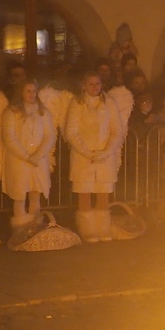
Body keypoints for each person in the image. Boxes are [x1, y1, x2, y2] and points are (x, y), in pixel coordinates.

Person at [64, 74, 132, 242]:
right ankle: (88, 229)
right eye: (90, 83)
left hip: (105, 157)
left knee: (103, 192)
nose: (94, 86)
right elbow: (71, 131)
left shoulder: (109, 103)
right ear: (84, 85)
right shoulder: (77, 103)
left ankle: (102, 228)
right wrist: (87, 152)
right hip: (83, 156)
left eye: (97, 83)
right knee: (85, 192)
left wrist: (106, 152)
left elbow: (117, 130)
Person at [0, 80, 57, 229]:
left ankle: (35, 227)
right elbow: (10, 138)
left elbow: (49, 135)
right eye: (28, 91)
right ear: (21, 92)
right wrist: (27, 156)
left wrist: (38, 155)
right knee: (19, 195)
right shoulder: (11, 112)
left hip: (38, 161)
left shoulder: (43, 112)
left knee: (35, 192)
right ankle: (21, 228)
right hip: (18, 161)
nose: (32, 94)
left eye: (34, 91)